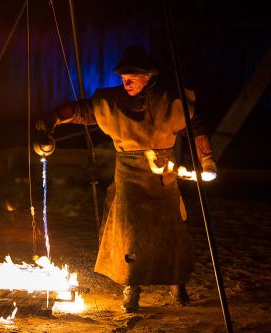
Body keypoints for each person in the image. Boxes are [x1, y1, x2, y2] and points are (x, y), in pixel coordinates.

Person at [36, 44, 216, 313]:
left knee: (171, 233)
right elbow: (81, 111)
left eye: (133, 77)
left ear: (149, 76)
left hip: (164, 180)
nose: (126, 82)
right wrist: (52, 119)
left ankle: (177, 283)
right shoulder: (112, 102)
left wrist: (207, 160)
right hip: (129, 180)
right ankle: (131, 288)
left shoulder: (171, 101)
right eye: (123, 77)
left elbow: (196, 125)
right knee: (130, 236)